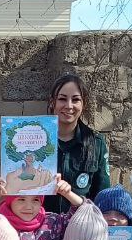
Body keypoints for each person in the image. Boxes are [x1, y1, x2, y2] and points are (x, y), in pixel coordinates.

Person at [44, 74, 110, 214]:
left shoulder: (96, 144)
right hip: (41, 225)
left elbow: (103, 196)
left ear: (83, 104)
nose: (69, 106)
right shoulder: (35, 140)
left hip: (81, 224)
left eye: (75, 100)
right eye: (62, 99)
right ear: (52, 102)